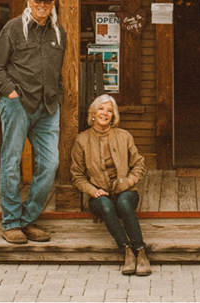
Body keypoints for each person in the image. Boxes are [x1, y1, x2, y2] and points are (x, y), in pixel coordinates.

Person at [0, 0, 66, 245]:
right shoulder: (13, 29)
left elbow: (58, 70)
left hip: (48, 107)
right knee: (11, 163)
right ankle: (10, 223)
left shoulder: (58, 32)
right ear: (29, 1)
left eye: (47, 1)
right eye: (37, 0)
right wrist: (10, 92)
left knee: (50, 164)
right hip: (18, 104)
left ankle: (28, 220)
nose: (42, 5)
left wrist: (58, 95)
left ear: (53, 3)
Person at [70, 94, 150, 276]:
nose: (104, 113)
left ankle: (141, 250)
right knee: (106, 206)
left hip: (126, 191)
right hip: (99, 195)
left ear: (113, 116)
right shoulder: (82, 140)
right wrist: (92, 190)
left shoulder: (124, 136)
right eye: (101, 109)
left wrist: (128, 181)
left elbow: (139, 164)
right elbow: (76, 175)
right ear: (93, 113)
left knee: (123, 203)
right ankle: (127, 251)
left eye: (109, 110)